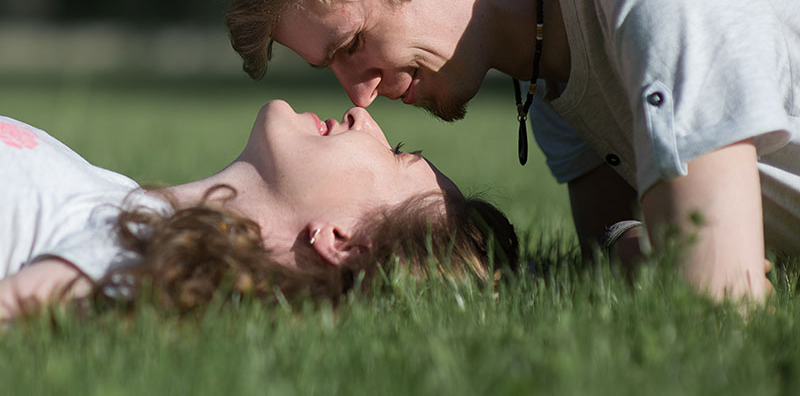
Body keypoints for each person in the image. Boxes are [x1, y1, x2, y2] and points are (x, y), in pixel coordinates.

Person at [224, 0, 800, 304]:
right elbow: (612, 247)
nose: (359, 96)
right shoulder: (549, 55)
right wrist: (636, 247)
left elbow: (717, 297)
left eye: (352, 44)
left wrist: (663, 254)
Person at [0, 101, 518, 321]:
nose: (364, 115)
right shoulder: (124, 203)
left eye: (394, 151)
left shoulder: (147, 253)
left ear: (341, 240)